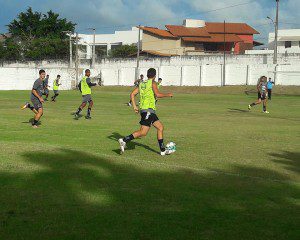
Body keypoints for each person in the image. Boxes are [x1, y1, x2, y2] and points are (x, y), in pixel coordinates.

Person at [119, 68, 173, 156]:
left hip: (147, 110)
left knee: (160, 127)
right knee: (143, 132)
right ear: (155, 76)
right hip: (148, 110)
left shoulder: (142, 83)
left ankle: (163, 150)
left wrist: (134, 106)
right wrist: (168, 94)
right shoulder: (153, 83)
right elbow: (158, 95)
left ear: (147, 75)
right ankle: (124, 140)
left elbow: (132, 94)